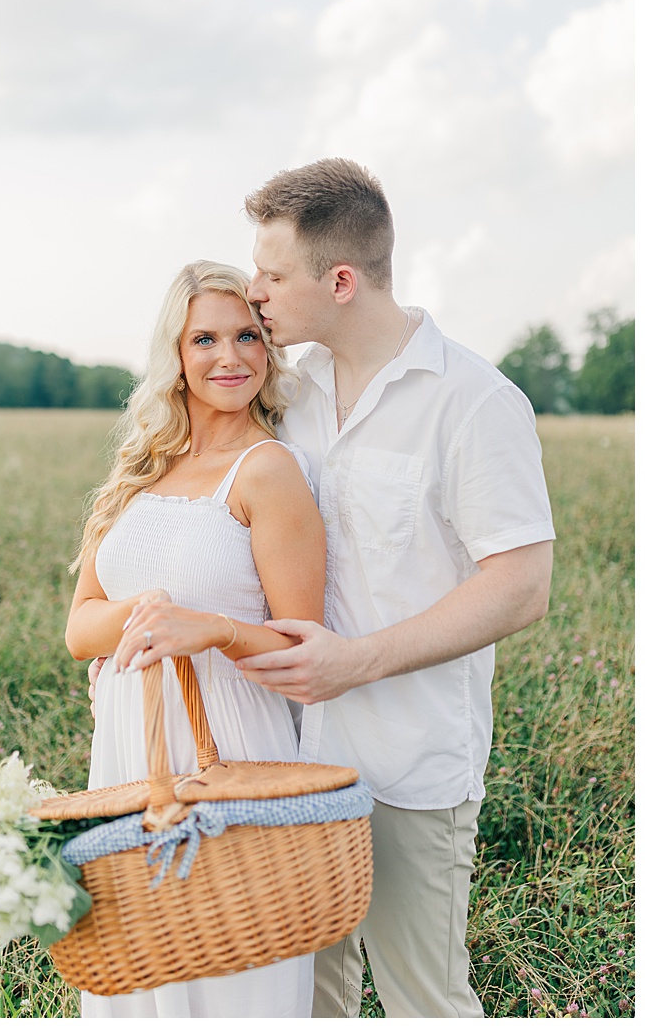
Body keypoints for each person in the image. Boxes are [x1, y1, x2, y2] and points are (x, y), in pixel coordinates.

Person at [235, 158, 554, 1017]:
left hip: (412, 769)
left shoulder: (475, 402)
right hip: (293, 763)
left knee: (424, 1003)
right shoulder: (288, 396)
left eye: (270, 274)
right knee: (308, 999)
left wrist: (359, 663)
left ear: (339, 280)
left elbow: (523, 586)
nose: (252, 292)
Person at [65, 259, 328, 1018]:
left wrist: (209, 629)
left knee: (232, 969)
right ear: (175, 356)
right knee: (136, 970)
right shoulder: (134, 473)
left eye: (248, 335)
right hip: (130, 749)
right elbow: (81, 629)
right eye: (205, 338)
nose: (231, 357)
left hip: (233, 747)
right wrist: (150, 611)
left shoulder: (267, 471)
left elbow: (300, 648)